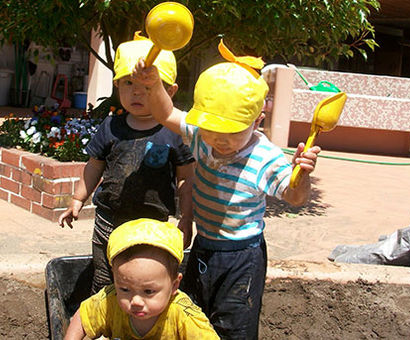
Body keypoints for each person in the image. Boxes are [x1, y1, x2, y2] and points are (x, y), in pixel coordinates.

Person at [131, 39, 321, 339]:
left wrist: (302, 174)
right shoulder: (201, 139)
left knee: (235, 326)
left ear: (257, 121)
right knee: (195, 318)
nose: (219, 140)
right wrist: (152, 83)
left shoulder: (265, 158)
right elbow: (165, 113)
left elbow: (295, 198)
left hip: (242, 256)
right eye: (211, 128)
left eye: (230, 132)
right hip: (205, 246)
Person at [58, 32, 195, 294]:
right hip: (109, 220)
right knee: (103, 280)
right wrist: (77, 200)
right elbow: (94, 166)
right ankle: (104, 326)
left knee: (144, 283)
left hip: (152, 226)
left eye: (148, 87)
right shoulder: (112, 126)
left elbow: (185, 179)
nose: (137, 92)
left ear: (170, 91)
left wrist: (187, 218)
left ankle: (139, 326)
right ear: (117, 85)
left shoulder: (174, 133)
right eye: (129, 83)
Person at [64, 218, 220, 339]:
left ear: (174, 286)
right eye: (125, 289)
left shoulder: (183, 315)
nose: (136, 301)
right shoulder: (109, 301)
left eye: (148, 291)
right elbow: (83, 317)